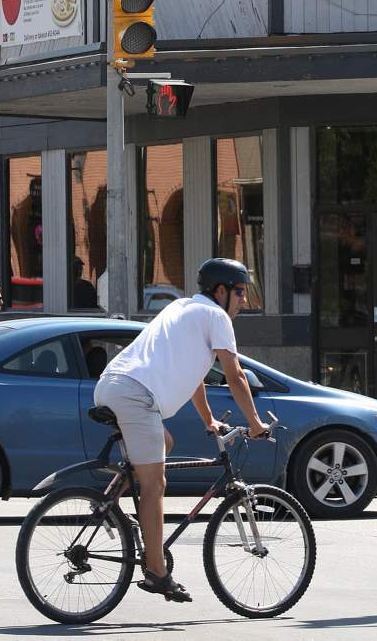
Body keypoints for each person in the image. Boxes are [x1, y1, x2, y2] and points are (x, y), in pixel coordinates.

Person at [94, 258, 271, 604]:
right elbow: (234, 376)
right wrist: (255, 422)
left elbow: (195, 380)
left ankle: (108, 504)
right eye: (240, 292)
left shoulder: (184, 307)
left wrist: (208, 420)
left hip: (112, 383)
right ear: (220, 291)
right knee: (155, 484)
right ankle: (157, 572)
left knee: (165, 442)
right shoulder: (217, 317)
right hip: (135, 394)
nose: (244, 301)